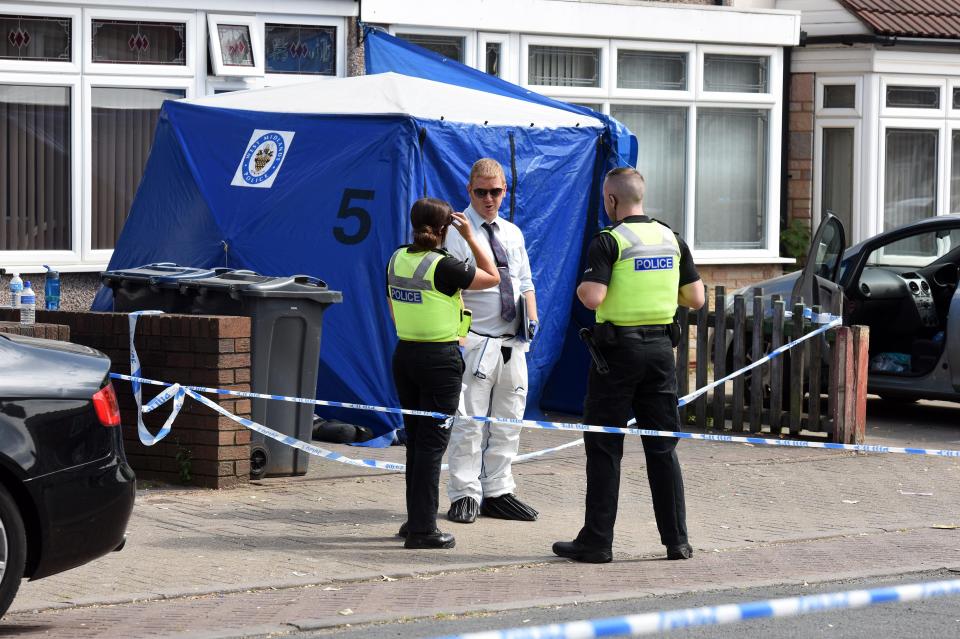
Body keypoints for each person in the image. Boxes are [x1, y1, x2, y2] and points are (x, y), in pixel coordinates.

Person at [553, 167, 705, 563]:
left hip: (616, 357)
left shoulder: (609, 241)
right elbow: (696, 298)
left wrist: (581, 283)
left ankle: (597, 542)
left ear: (612, 200)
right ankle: (677, 541)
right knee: (662, 448)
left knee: (604, 446)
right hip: (660, 353)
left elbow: (592, 297)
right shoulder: (672, 238)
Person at [388, 197, 500, 549]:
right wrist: (470, 237)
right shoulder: (444, 266)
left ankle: (415, 520)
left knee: (416, 443)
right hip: (439, 360)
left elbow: (394, 309)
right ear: (443, 229)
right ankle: (423, 530)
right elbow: (493, 276)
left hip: (405, 355)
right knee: (432, 446)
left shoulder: (397, 258)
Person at [443, 158, 540, 524]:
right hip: (475, 339)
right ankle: (465, 492)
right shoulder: (455, 233)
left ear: (504, 191)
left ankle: (498, 490)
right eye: (481, 191)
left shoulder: (512, 232)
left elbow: (525, 280)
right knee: (468, 421)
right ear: (469, 190)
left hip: (513, 340)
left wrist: (532, 315)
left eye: (495, 191)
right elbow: (446, 287)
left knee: (509, 419)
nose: (488, 198)